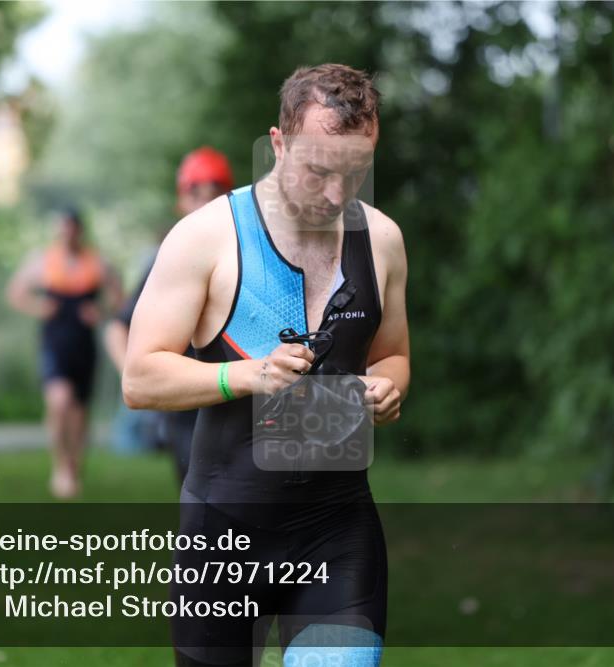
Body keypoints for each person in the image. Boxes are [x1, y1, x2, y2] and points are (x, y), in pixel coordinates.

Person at [122, 64, 409, 666]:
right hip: (224, 533)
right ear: (278, 144)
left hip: (338, 531)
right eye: (319, 171)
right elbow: (140, 376)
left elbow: (393, 355)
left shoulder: (381, 240)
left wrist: (388, 387)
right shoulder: (205, 238)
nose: (337, 194)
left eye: (356, 172)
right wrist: (246, 375)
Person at [105, 147, 235, 485]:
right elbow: (117, 329)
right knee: (200, 498)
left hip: (240, 399)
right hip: (188, 405)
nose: (204, 203)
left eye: (214, 192)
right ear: (182, 200)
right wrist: (137, 376)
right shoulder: (169, 257)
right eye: (196, 193)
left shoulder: (247, 254)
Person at [6, 209, 122, 499]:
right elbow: (16, 292)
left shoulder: (97, 262)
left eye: (71, 228)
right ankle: (59, 466)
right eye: (62, 228)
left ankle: (74, 467)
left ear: (80, 230)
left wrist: (100, 310)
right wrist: (39, 307)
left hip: (84, 345)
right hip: (54, 344)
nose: (66, 233)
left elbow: (119, 297)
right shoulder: (43, 260)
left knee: (80, 412)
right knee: (58, 402)